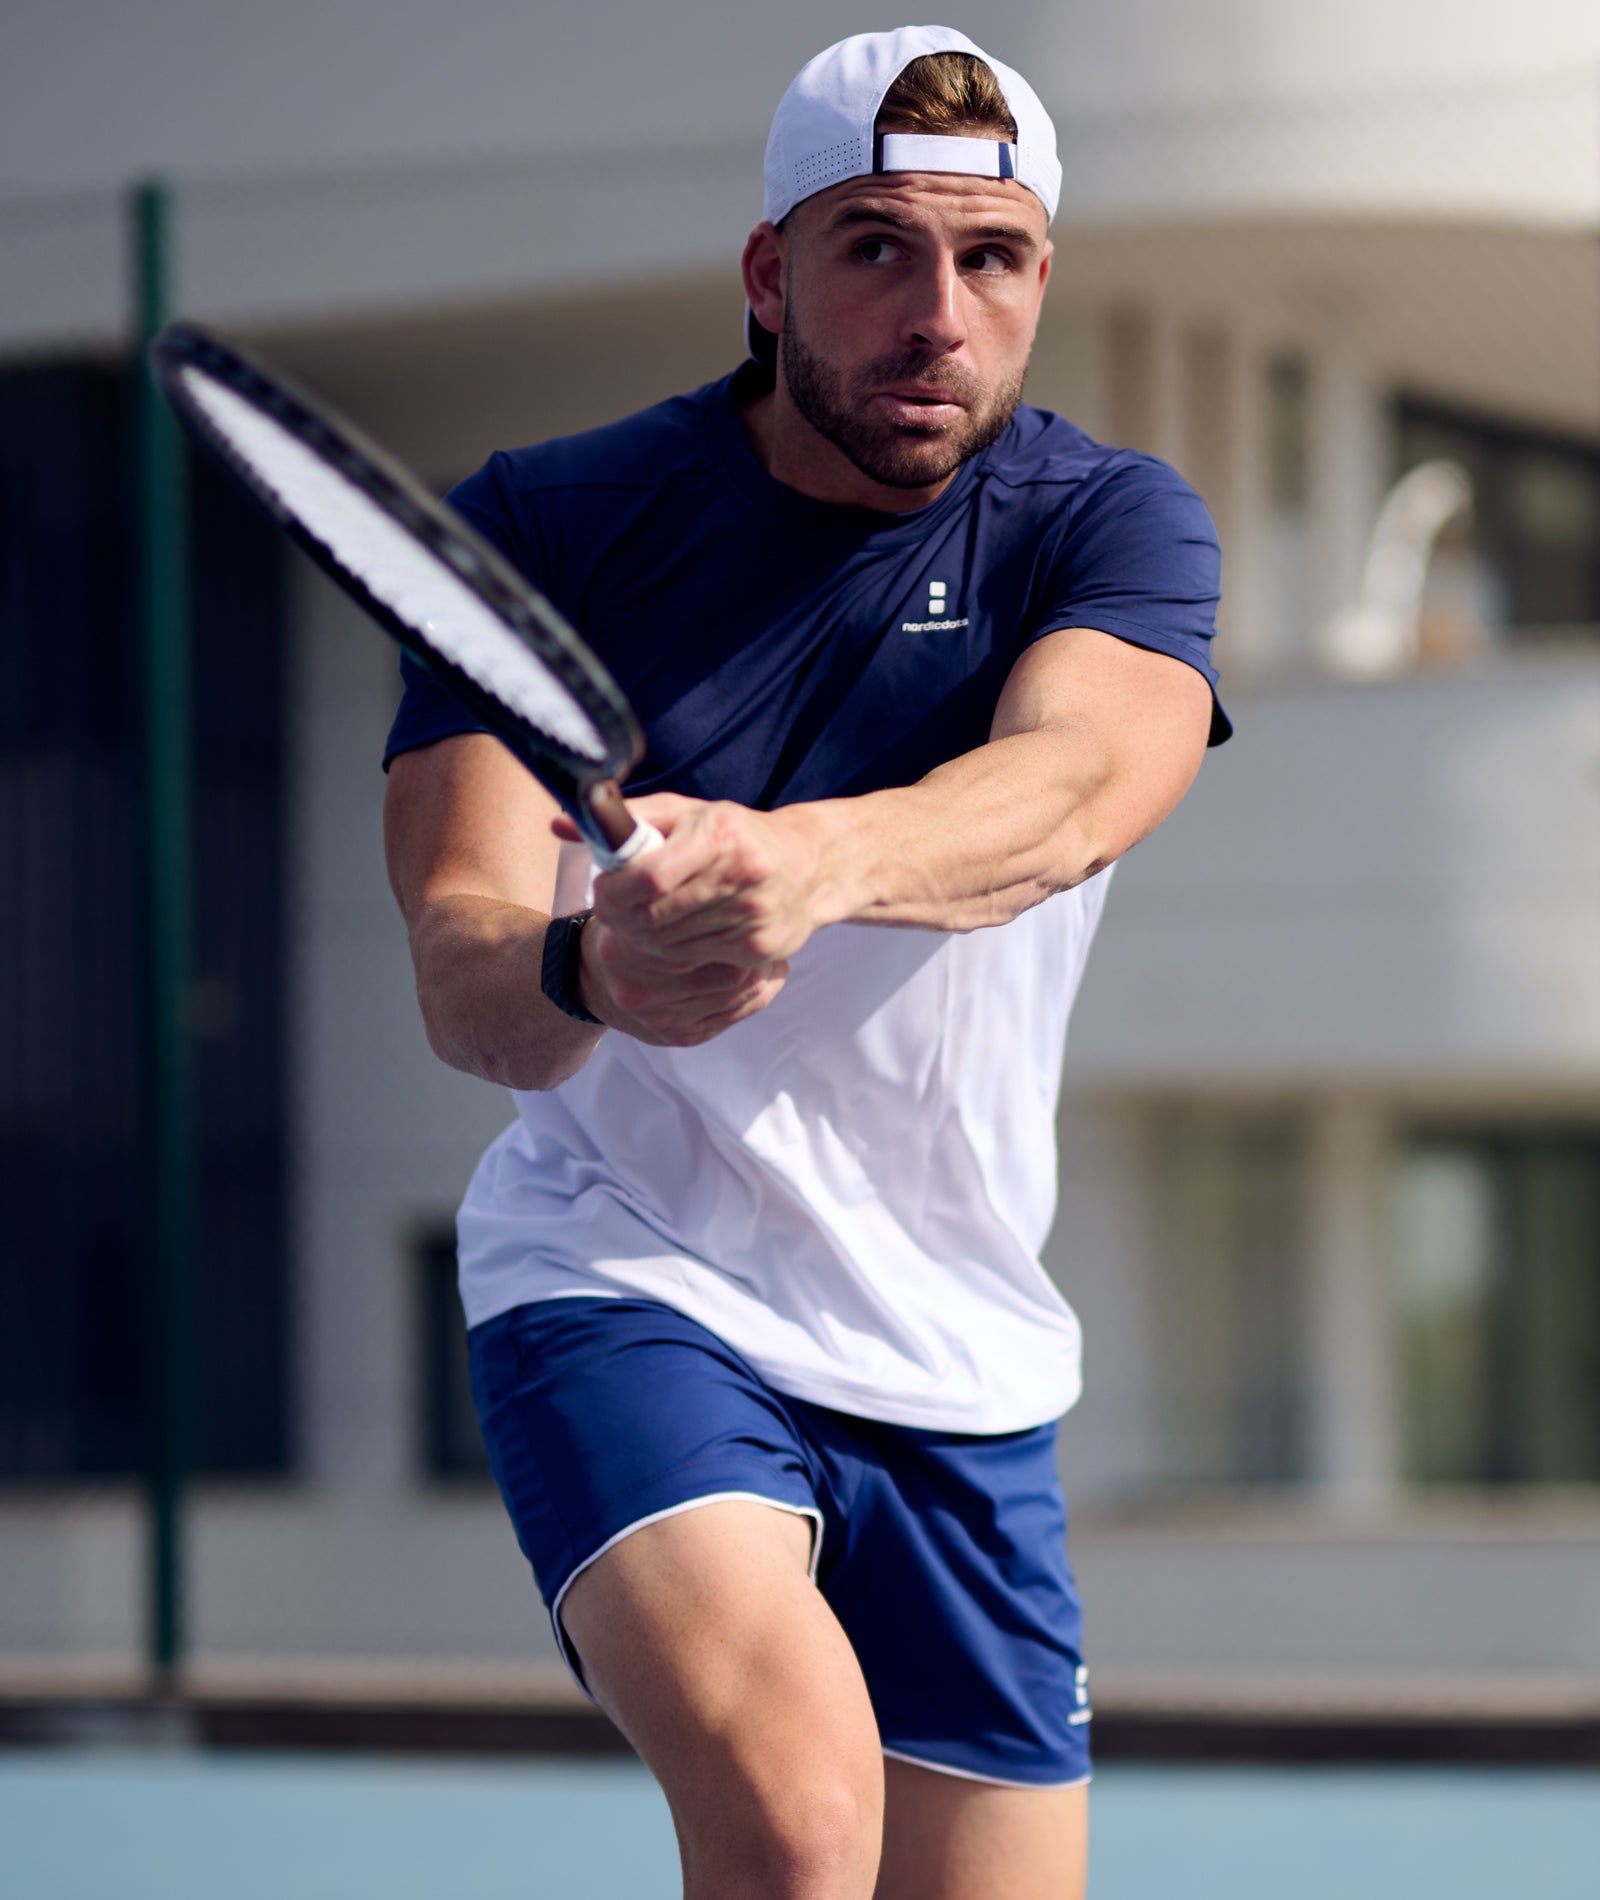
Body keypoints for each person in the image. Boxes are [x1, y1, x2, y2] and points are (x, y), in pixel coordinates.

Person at [383, 24, 1225, 1900]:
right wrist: (596, 974)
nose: (939, 310)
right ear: (770, 275)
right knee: (797, 1816)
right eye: (877, 249)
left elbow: (1081, 785)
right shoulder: (541, 529)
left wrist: (810, 863)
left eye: (990, 257)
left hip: (959, 1356)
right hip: (629, 1281)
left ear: (1039, 281)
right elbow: (463, 966)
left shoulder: (1111, 522)